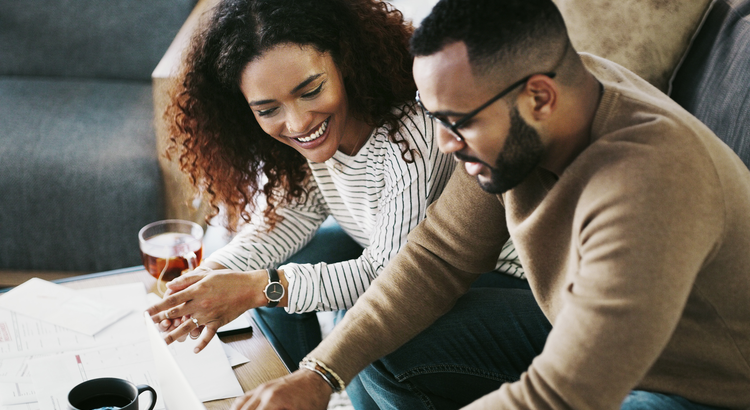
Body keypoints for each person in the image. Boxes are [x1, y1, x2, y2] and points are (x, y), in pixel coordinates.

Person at [225, 0, 750, 409]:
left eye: (458, 122)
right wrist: (319, 374)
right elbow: (439, 256)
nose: (446, 144)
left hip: (693, 387)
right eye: (437, 119)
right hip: (582, 328)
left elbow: (565, 393)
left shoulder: (647, 183)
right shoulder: (530, 111)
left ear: (539, 98)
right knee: (377, 340)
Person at [145, 0, 524, 406]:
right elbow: (287, 219)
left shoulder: (408, 141)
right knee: (294, 257)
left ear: (345, 59)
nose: (298, 123)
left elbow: (391, 278)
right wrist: (205, 279)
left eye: (310, 91)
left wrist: (262, 288)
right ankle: (279, 393)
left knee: (372, 335)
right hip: (401, 264)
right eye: (268, 109)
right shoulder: (312, 141)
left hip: (499, 280)